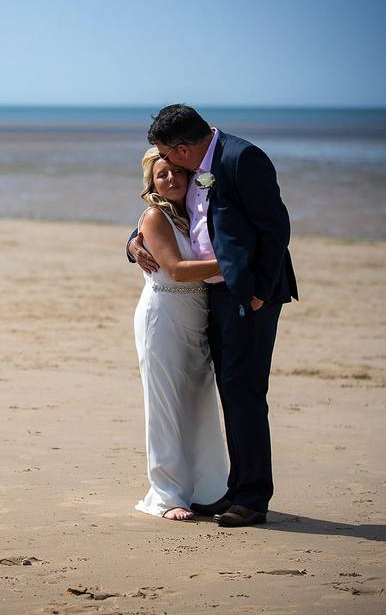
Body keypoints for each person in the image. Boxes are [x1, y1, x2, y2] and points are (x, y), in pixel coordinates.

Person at [128, 104, 298, 527]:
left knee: (244, 392)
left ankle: (252, 497)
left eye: (169, 155)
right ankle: (234, 489)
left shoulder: (241, 159)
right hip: (211, 297)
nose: (168, 165)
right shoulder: (193, 171)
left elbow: (275, 227)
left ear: (183, 147)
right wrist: (132, 242)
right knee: (227, 390)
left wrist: (259, 290)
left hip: (247, 295)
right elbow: (172, 216)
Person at [133, 148, 229, 521]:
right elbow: (175, 269)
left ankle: (208, 489)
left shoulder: (194, 213)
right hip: (163, 316)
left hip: (197, 316)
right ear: (151, 183)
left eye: (177, 172)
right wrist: (236, 264)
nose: (172, 179)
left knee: (198, 404)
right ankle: (168, 493)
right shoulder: (155, 216)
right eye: (162, 175)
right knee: (164, 406)